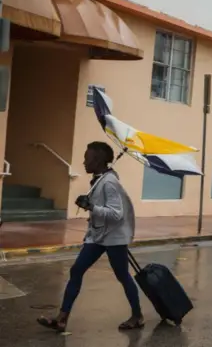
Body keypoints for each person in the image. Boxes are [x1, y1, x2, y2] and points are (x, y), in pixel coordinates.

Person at [37, 141, 143, 332]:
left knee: (122, 275)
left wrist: (91, 207)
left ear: (99, 160)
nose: (84, 162)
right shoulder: (99, 178)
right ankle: (62, 319)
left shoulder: (110, 183)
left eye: (87, 158)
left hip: (114, 237)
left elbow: (116, 214)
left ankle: (137, 316)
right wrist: (90, 207)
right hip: (98, 235)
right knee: (76, 270)